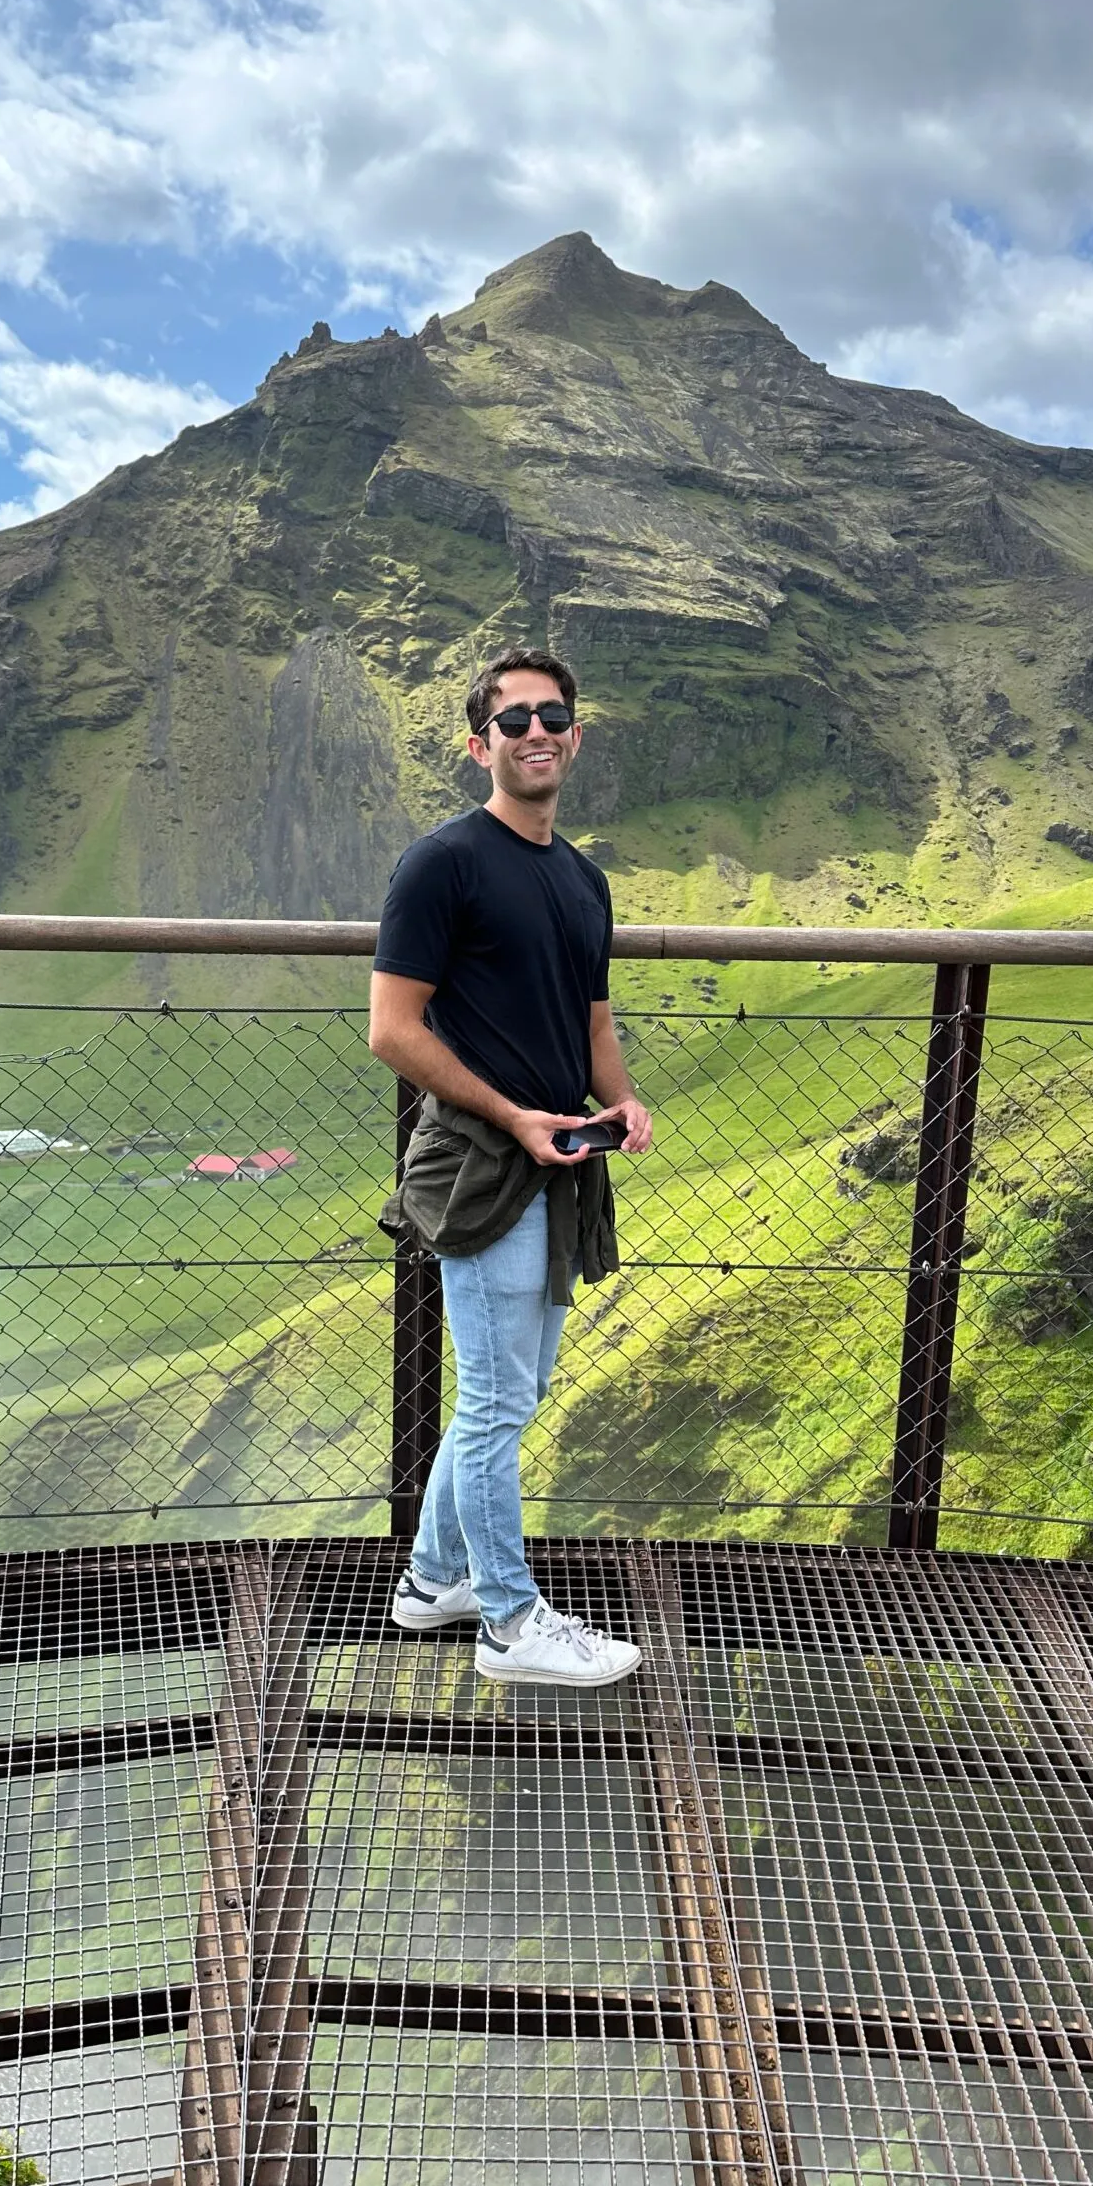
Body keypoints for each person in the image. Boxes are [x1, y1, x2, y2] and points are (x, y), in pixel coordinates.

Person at [371, 648, 652, 1687]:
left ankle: (433, 1580)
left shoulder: (582, 879)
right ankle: (508, 1624)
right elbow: (392, 1030)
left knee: (511, 1391)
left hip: (558, 1159)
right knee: (496, 1400)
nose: (537, 731)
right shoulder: (442, 863)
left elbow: (593, 1019)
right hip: (481, 1166)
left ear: (574, 736)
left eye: (555, 716)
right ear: (479, 742)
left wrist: (617, 1101)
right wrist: (514, 1114)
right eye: (515, 718)